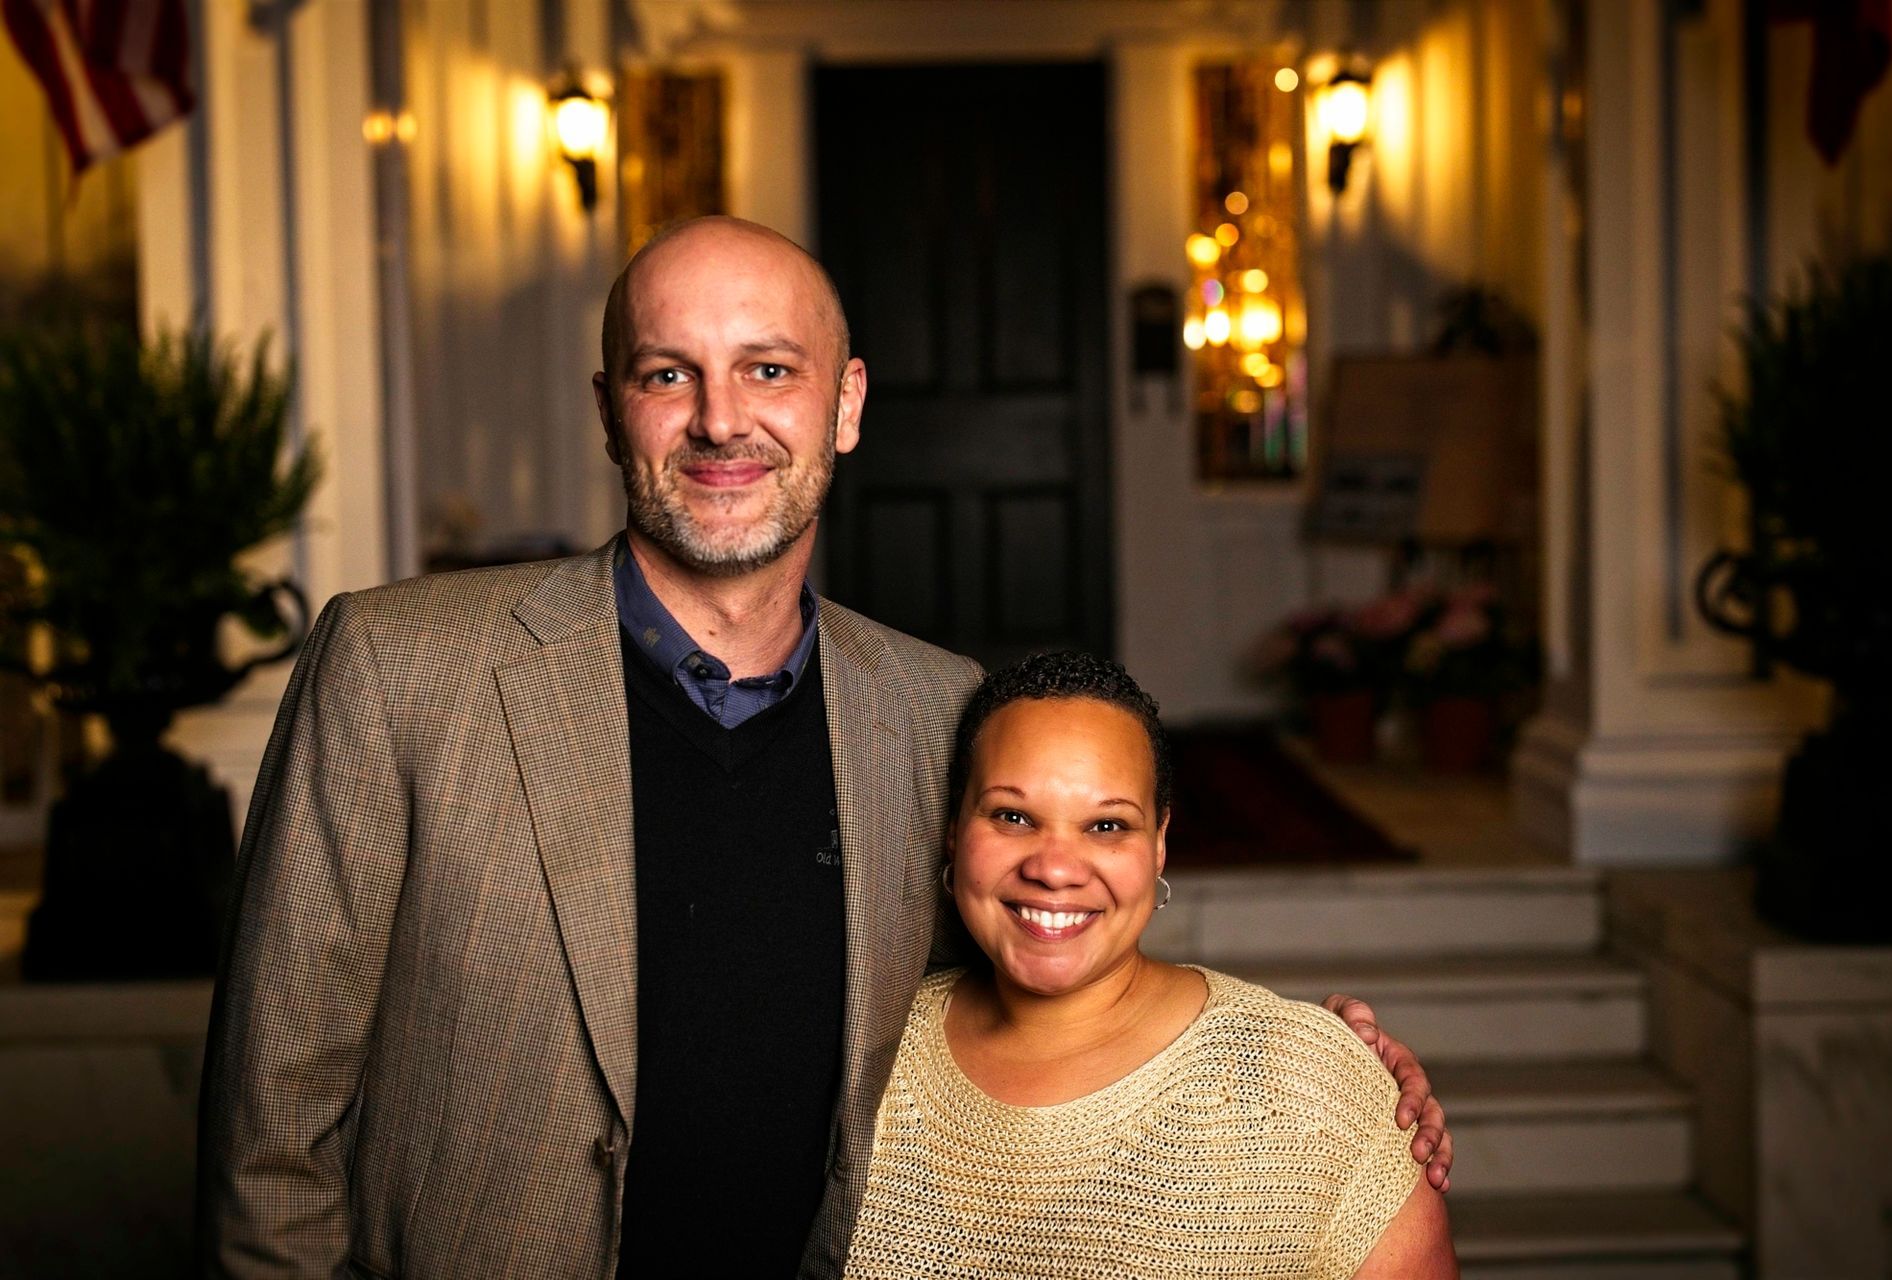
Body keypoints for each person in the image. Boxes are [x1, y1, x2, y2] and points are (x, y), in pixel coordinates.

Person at [196, 216, 1451, 1278]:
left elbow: (1045, 953)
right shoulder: (397, 667)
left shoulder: (933, 706)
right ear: (609, 407)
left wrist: (1312, 1070)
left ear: (845, 405)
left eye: (770, 371)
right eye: (667, 373)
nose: (720, 421)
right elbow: (271, 1132)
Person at [845, 651, 1457, 1278]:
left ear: (1160, 843)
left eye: (1107, 825)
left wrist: (1342, 1071)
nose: (1054, 868)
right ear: (954, 831)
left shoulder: (1305, 1086)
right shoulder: (858, 1052)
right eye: (1012, 816)